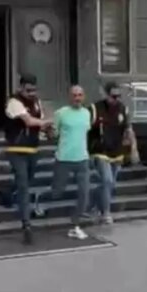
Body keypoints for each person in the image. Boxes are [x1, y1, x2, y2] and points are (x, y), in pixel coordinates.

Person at [4, 74, 49, 245]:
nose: (31, 93)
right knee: (24, 185)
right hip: (16, 149)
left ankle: (6, 194)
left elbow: (39, 122)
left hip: (32, 149)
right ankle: (26, 225)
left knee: (25, 181)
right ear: (21, 88)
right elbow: (29, 121)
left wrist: (47, 130)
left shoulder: (37, 102)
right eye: (28, 90)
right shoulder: (14, 102)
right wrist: (46, 122)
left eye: (34, 90)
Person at [88, 81, 136, 225]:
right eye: (113, 96)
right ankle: (106, 213)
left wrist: (133, 149)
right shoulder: (95, 108)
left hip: (117, 151)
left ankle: (93, 201)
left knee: (110, 184)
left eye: (119, 96)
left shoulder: (123, 109)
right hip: (100, 150)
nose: (116, 99)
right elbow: (85, 129)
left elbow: (128, 129)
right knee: (107, 180)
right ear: (106, 95)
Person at [49, 85, 93, 240]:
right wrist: (49, 131)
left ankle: (75, 224)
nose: (77, 98)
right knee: (57, 192)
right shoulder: (60, 113)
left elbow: (85, 133)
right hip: (64, 159)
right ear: (69, 97)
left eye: (80, 95)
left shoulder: (87, 113)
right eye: (74, 95)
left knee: (84, 193)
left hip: (82, 159)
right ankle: (38, 203)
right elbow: (53, 134)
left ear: (84, 97)